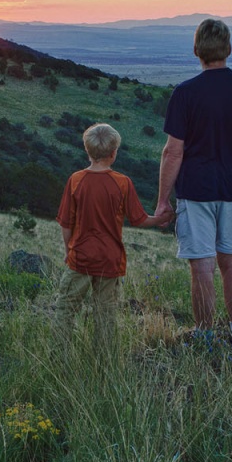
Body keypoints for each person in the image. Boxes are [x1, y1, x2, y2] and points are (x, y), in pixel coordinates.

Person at [154, 18, 232, 343]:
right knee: (231, 262)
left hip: (196, 192)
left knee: (201, 267)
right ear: (228, 49)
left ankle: (204, 336)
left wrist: (163, 201)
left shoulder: (186, 93)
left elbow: (172, 153)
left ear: (196, 51)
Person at [54, 123, 172, 353]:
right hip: (110, 259)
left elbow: (66, 223)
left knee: (66, 308)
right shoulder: (122, 183)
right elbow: (139, 220)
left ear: (87, 151)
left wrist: (69, 250)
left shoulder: (76, 180)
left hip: (81, 257)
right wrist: (161, 219)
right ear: (113, 153)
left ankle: (58, 358)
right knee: (105, 314)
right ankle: (103, 364)